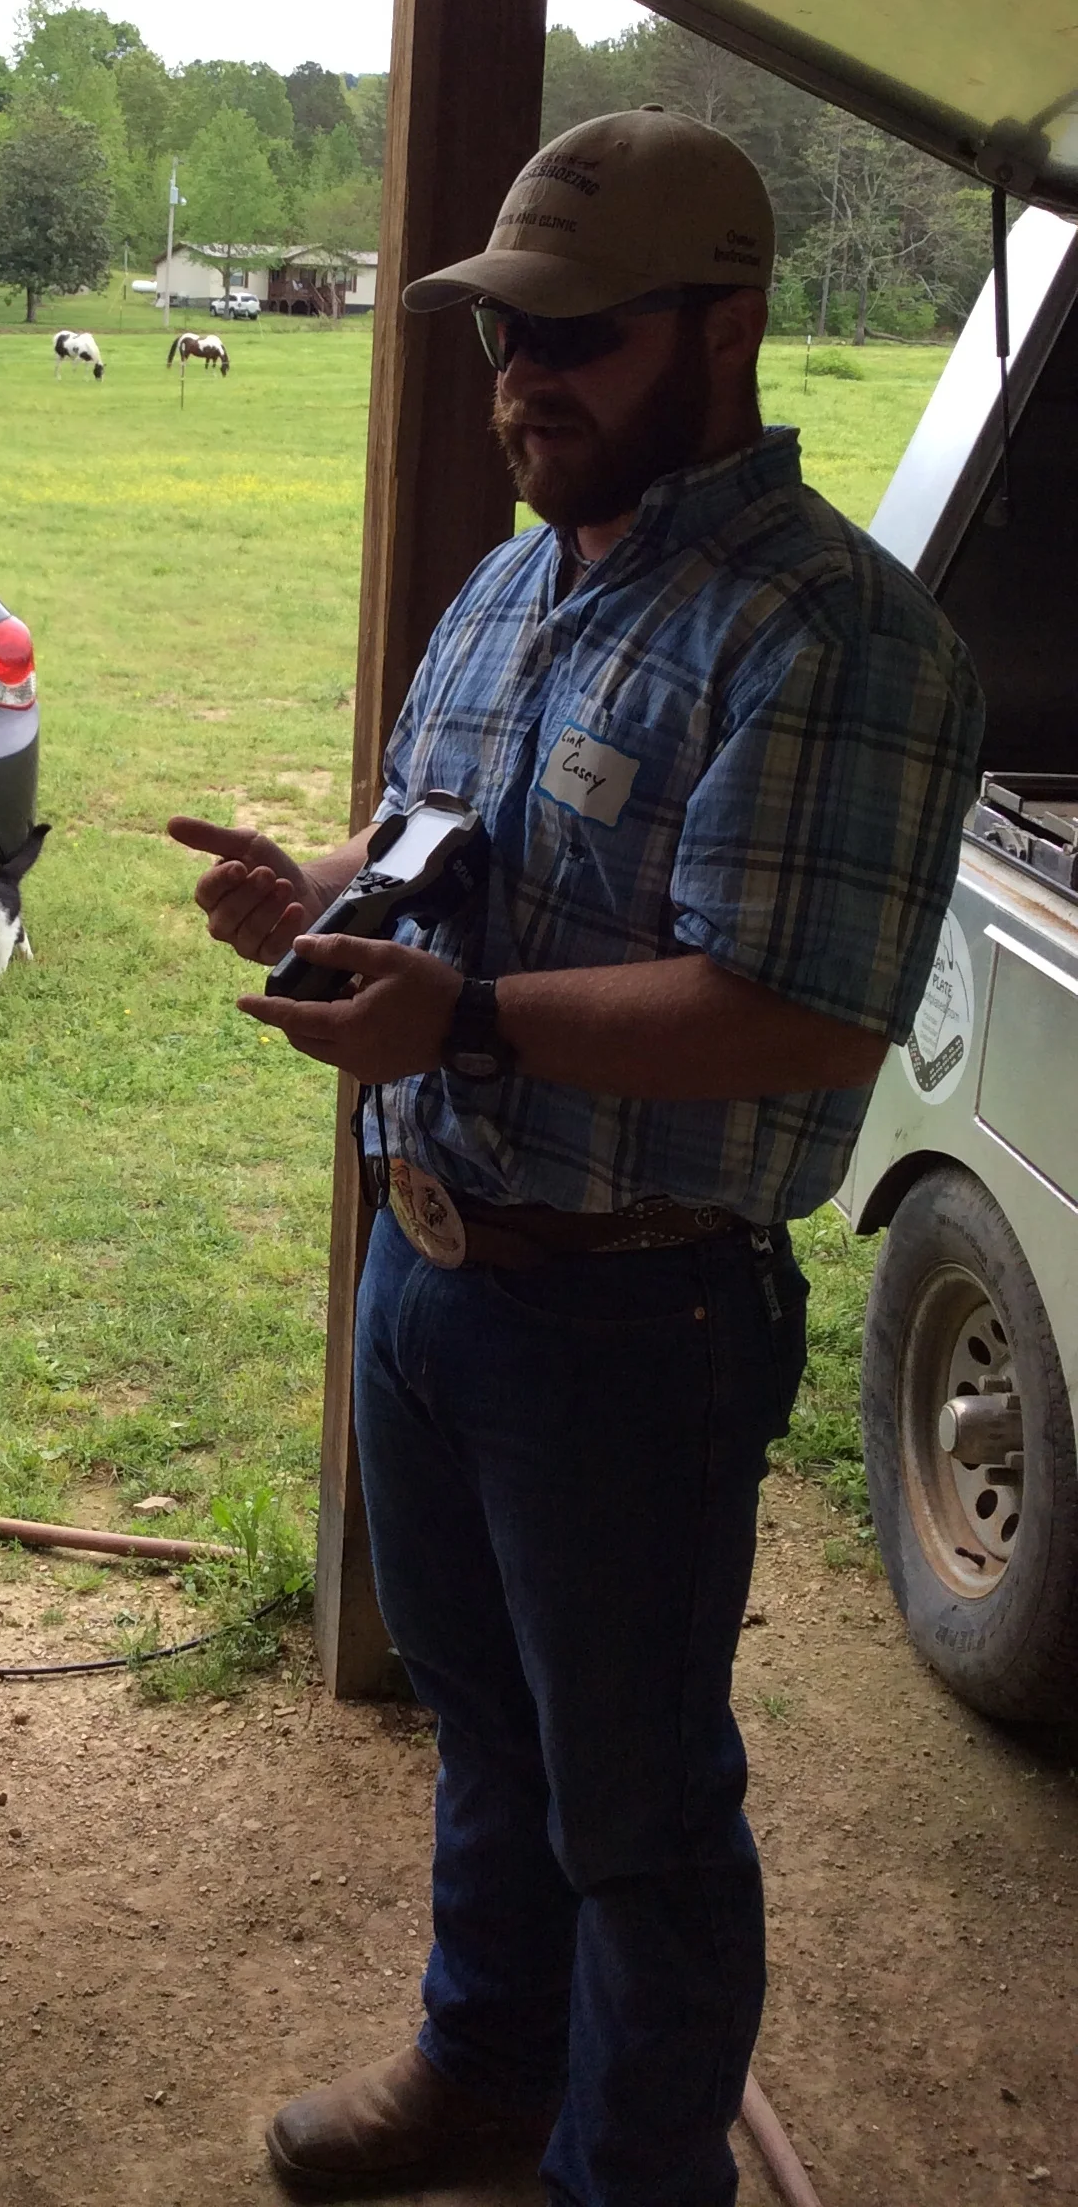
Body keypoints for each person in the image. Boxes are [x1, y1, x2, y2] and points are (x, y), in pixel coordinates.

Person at [172, 110, 983, 2207]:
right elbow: (440, 844)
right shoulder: (522, 577)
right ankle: (479, 2071)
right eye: (492, 336)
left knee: (632, 1811)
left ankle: (629, 2179)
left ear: (721, 329)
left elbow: (790, 1006)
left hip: (635, 1307)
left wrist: (469, 1016)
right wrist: (320, 888)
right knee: (488, 1732)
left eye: (571, 331)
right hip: (436, 1269)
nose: (517, 376)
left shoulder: (828, 638)